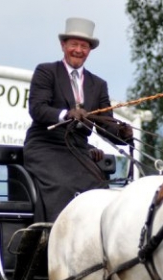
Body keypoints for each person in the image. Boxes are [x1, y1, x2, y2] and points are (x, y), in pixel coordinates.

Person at [24, 16, 132, 222]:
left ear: (90, 50)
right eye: (74, 44)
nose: (79, 50)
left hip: (78, 150)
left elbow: (104, 124)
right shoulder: (46, 72)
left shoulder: (98, 84)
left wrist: (121, 133)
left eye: (84, 46)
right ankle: (53, 236)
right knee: (63, 186)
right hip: (46, 147)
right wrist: (66, 113)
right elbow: (37, 109)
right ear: (63, 45)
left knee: (99, 188)